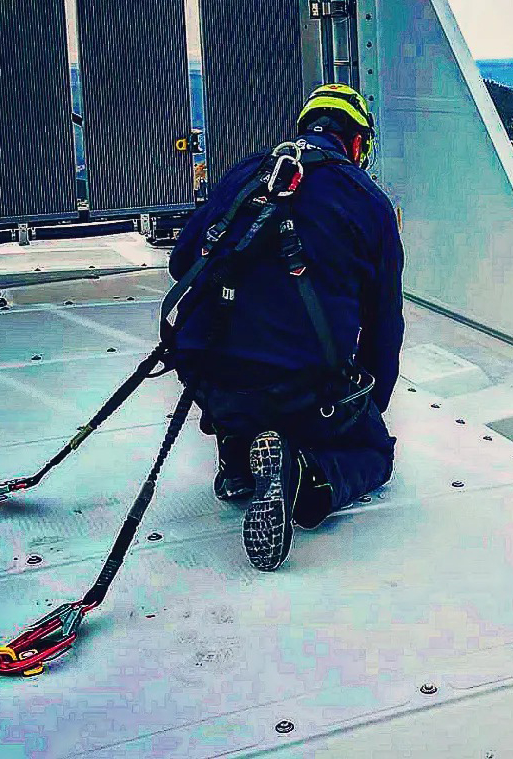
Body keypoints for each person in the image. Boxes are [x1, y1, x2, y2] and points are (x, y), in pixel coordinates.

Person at [165, 84, 404, 572]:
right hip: (302, 389)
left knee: (248, 370)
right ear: (358, 141)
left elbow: (181, 262)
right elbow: (384, 325)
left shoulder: (245, 175)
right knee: (375, 452)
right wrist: (365, 410)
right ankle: (304, 471)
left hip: (210, 379)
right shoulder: (370, 203)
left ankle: (238, 460)